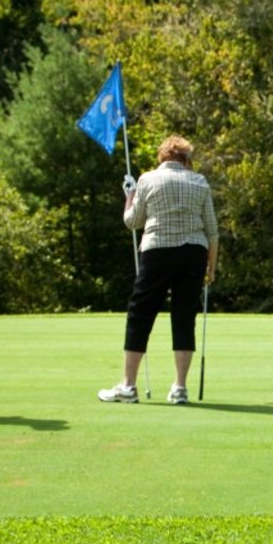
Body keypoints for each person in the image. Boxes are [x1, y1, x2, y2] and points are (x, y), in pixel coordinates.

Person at [98, 135, 218, 405]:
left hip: (158, 250)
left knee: (141, 314)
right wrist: (212, 266)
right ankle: (180, 388)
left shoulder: (147, 179)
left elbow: (132, 221)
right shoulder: (199, 181)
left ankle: (128, 386)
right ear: (186, 158)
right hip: (193, 252)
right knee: (184, 316)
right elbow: (212, 230)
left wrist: (129, 196)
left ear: (162, 156)